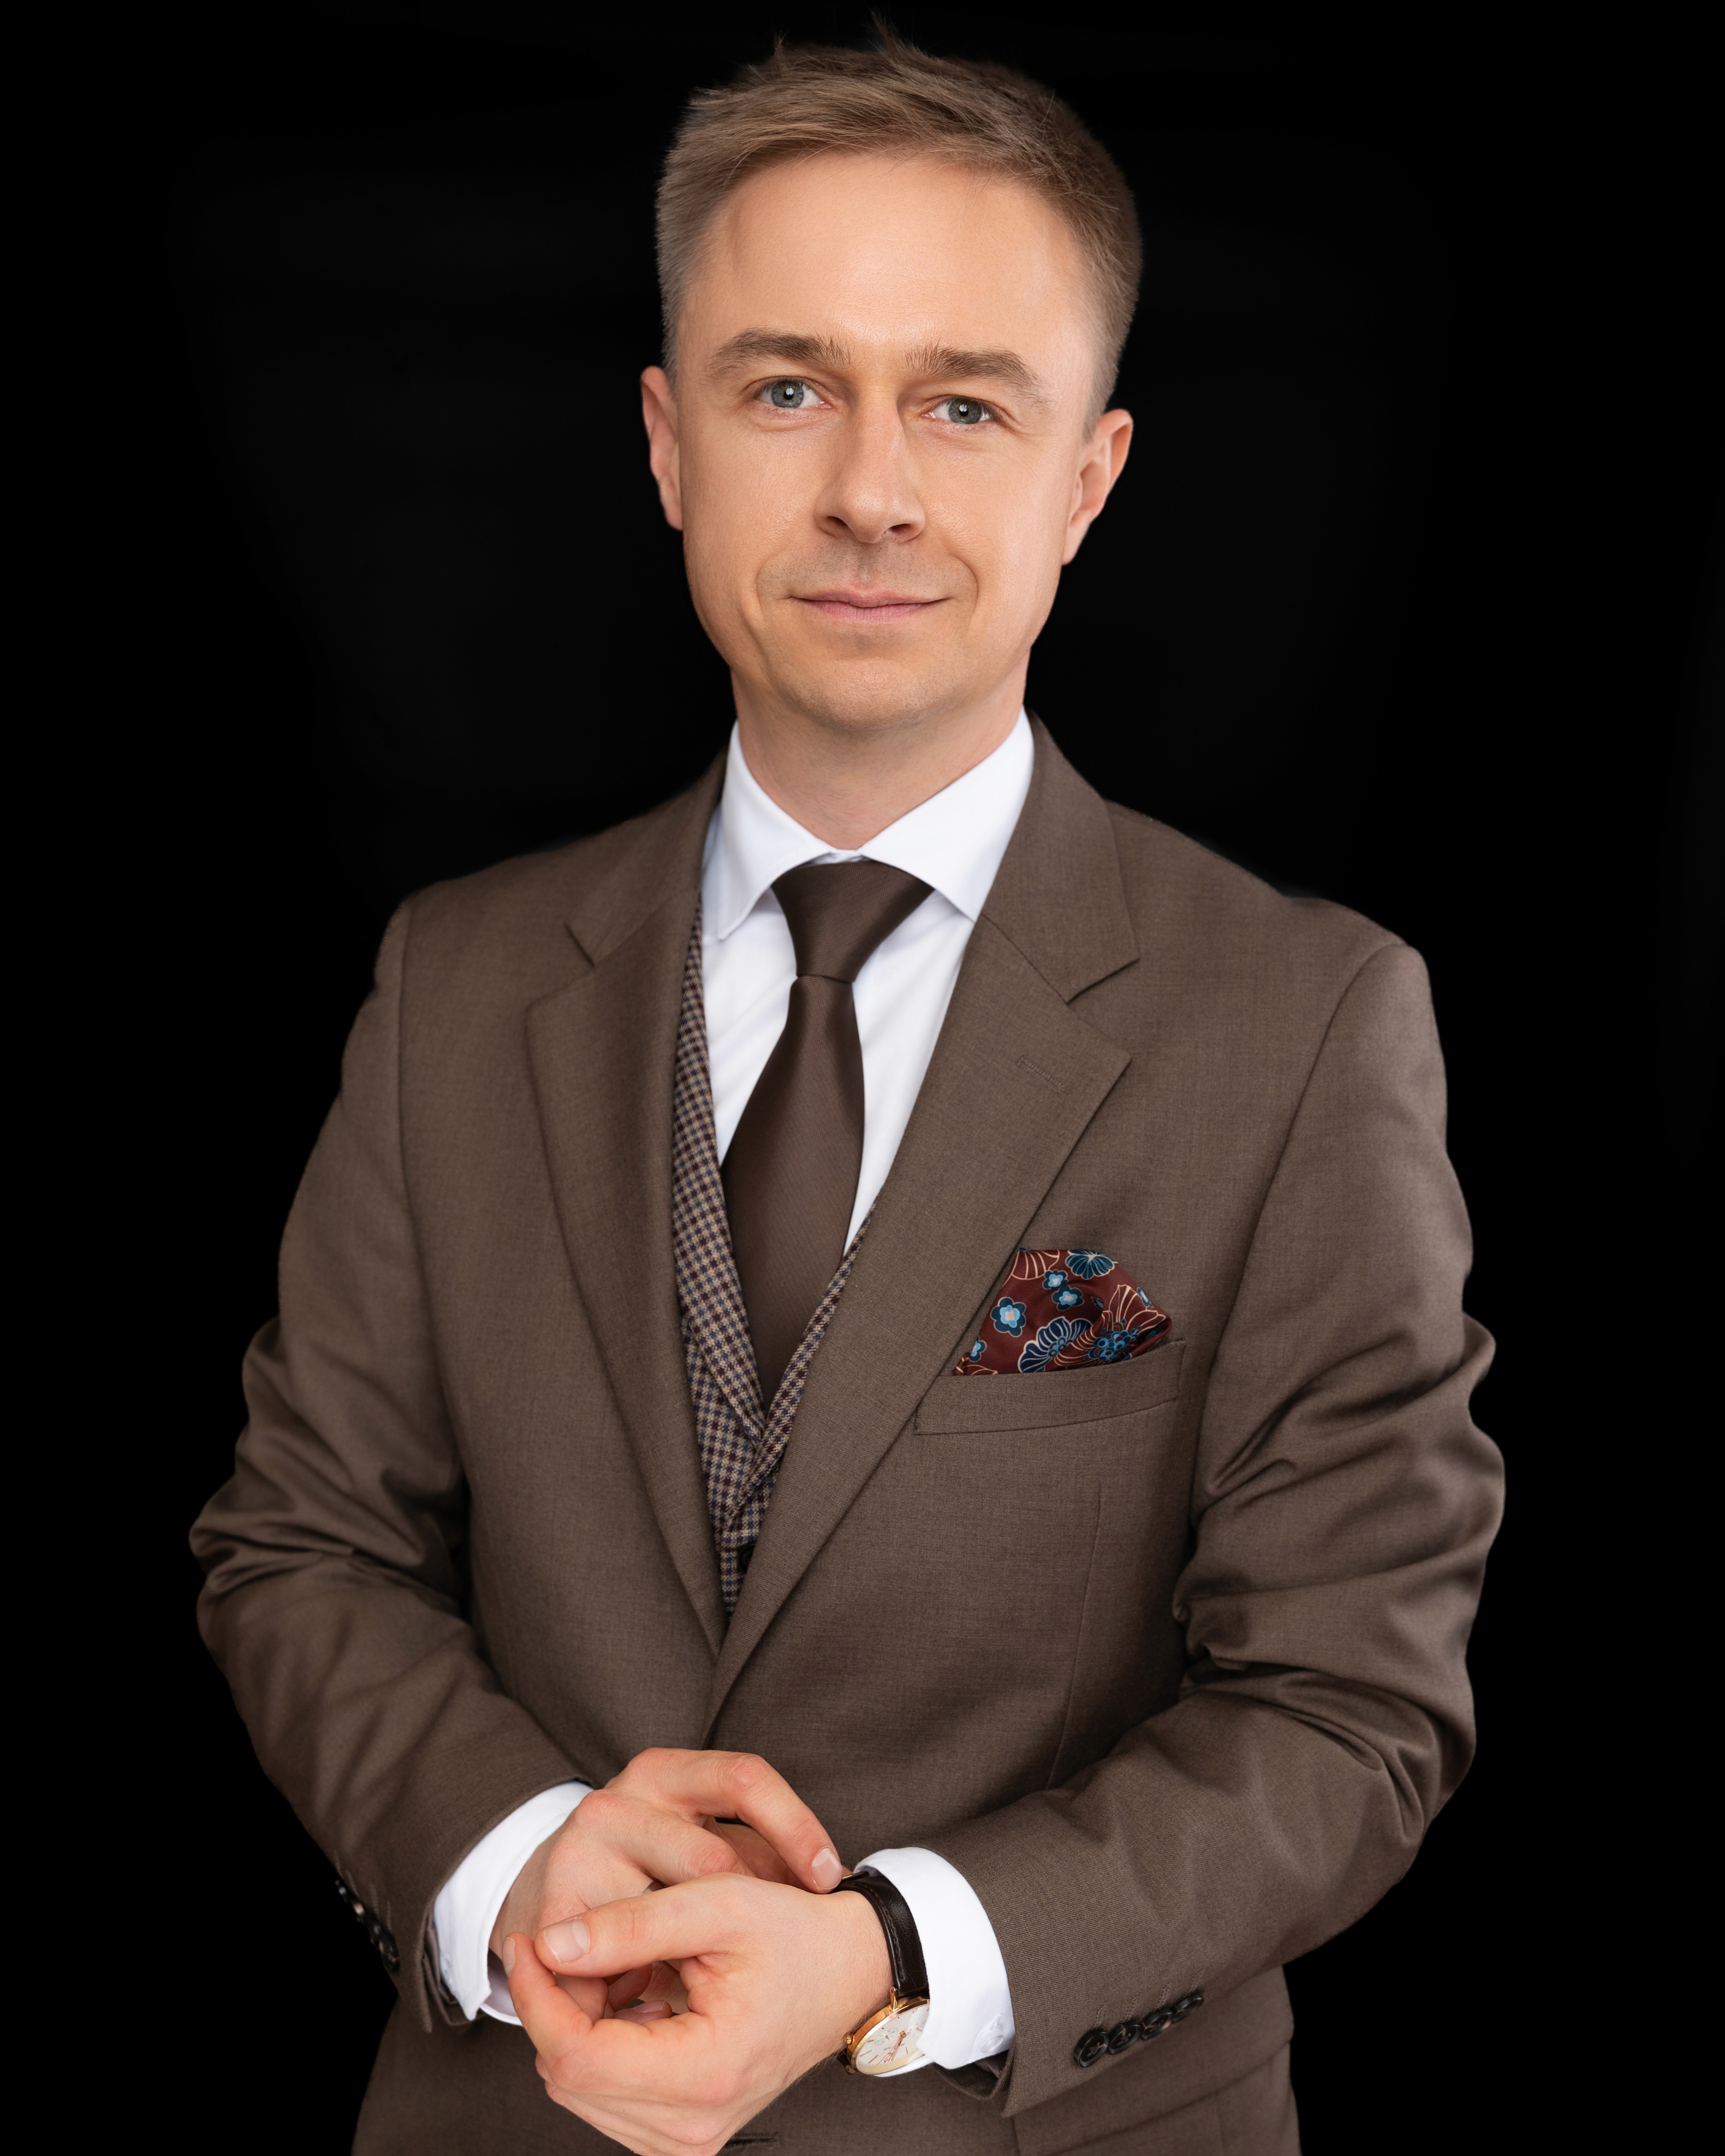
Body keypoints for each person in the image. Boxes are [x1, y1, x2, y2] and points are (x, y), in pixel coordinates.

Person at [193, 34, 1503, 2156]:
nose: (872, 490)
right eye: (788, 387)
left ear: (1088, 477)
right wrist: (514, 1854)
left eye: (965, 405)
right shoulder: (455, 983)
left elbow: (1348, 1711)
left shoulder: (1306, 1023)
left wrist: (895, 1949)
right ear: (667, 442)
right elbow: (301, 1544)